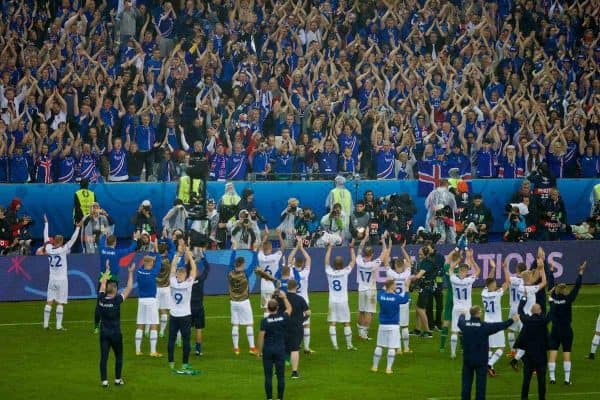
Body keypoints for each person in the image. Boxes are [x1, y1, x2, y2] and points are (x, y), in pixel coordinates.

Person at [459, 306, 518, 400]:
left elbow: (460, 322)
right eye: (480, 311)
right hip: (481, 360)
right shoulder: (484, 326)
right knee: (481, 386)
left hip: (467, 359)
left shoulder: (464, 325)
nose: (482, 312)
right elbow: (500, 325)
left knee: (466, 384)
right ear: (478, 313)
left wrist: (462, 314)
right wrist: (512, 320)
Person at [94, 228, 140, 333]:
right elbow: (130, 250)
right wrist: (135, 239)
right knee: (114, 302)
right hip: (113, 280)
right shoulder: (117, 252)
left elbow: (101, 241)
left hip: (103, 278)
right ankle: (112, 323)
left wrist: (105, 234)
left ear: (107, 242)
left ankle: (96, 327)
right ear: (115, 242)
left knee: (99, 302)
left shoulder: (101, 249)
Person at [548, 261, 586, 385]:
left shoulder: (552, 299)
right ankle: (566, 379)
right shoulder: (568, 299)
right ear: (565, 291)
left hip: (554, 330)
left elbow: (550, 286)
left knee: (553, 353)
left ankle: (552, 378)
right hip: (566, 330)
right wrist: (580, 272)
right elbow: (577, 288)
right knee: (566, 353)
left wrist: (551, 272)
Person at [97, 262, 135, 387]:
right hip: (115, 334)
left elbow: (102, 284)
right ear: (115, 291)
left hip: (104, 333)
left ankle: (104, 381)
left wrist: (107, 270)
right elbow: (129, 288)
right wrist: (130, 272)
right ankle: (118, 380)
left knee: (104, 358)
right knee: (119, 357)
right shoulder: (117, 300)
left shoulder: (101, 298)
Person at [511, 254, 548, 369]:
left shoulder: (522, 286)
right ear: (529, 278)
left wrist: (537, 269)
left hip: (524, 317)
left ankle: (515, 360)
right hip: (530, 319)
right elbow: (543, 282)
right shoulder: (531, 289)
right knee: (531, 342)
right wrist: (542, 270)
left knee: (527, 341)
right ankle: (525, 362)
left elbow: (532, 278)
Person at [43, 222, 81, 330]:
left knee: (49, 301)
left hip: (52, 279)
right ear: (61, 242)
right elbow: (73, 240)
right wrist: (78, 228)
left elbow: (45, 237)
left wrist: (46, 223)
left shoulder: (49, 248)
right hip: (62, 280)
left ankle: (45, 324)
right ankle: (58, 326)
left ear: (54, 241)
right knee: (60, 302)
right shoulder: (62, 249)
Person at [257, 290, 292, 400]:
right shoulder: (283, 318)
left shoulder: (264, 321)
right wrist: (284, 297)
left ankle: (269, 398)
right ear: (277, 308)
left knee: (268, 376)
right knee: (281, 376)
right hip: (280, 350)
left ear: (267, 308)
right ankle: (280, 398)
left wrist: (259, 352)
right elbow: (289, 309)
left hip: (268, 350)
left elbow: (261, 337)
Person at [168, 248, 198, 373]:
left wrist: (177, 255)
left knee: (171, 339)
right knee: (186, 340)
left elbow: (172, 268)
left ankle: (171, 362)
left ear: (177, 275)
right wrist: (190, 257)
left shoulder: (172, 281)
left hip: (174, 315)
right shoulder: (188, 283)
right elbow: (194, 271)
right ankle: (185, 364)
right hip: (185, 315)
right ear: (184, 275)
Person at [371, 279, 410, 374]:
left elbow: (381, 291)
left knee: (379, 346)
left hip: (383, 325)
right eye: (394, 285)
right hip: (394, 326)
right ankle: (388, 369)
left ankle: (375, 367)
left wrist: (385, 287)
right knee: (392, 347)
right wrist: (407, 287)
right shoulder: (396, 298)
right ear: (392, 286)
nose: (396, 286)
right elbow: (405, 299)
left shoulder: (381, 296)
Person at [356, 228, 389, 340]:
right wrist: (383, 240)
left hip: (361, 289)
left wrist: (365, 237)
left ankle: (360, 330)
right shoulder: (374, 264)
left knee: (361, 310)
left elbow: (360, 248)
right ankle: (364, 333)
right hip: (370, 290)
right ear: (372, 254)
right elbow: (384, 253)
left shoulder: (359, 261)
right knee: (369, 311)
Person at [449, 249, 481, 359]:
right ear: (466, 271)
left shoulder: (454, 279)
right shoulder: (469, 280)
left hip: (456, 307)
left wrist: (457, 261)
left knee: (454, 331)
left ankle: (453, 353)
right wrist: (471, 259)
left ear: (459, 271)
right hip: (467, 308)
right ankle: (467, 352)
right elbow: (478, 271)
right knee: (468, 331)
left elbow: (450, 269)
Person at [481, 258, 511, 376]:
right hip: (497, 325)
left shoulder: (483, 293)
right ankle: (489, 364)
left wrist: (493, 268)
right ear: (492, 286)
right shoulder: (497, 294)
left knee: (489, 348)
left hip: (486, 324)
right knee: (501, 347)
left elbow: (488, 280)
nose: (496, 284)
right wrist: (504, 268)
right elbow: (507, 283)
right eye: (495, 284)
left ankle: (490, 366)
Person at [325, 241, 357, 350]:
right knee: (346, 323)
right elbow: (353, 261)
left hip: (332, 301)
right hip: (343, 301)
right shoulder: (345, 271)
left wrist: (330, 247)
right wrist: (351, 248)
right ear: (343, 264)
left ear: (334, 264)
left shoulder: (329, 271)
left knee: (332, 323)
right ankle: (349, 345)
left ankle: (335, 345)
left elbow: (326, 261)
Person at [384, 238, 414, 353]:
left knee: (395, 326)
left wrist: (390, 247)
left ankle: (398, 348)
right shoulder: (407, 273)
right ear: (403, 266)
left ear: (395, 266)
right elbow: (409, 262)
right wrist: (402, 248)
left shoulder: (391, 273)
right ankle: (406, 347)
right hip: (404, 300)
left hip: (394, 301)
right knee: (405, 326)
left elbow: (386, 261)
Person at [518, 298, 550, 400]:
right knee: (541, 380)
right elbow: (552, 312)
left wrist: (523, 299)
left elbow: (520, 310)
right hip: (541, 357)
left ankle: (524, 398)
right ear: (540, 311)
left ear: (531, 311)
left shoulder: (527, 321)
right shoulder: (544, 321)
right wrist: (551, 300)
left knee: (526, 380)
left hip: (528, 357)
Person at [287, 236, 314, 354]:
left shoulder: (291, 272)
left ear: (294, 263)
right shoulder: (305, 273)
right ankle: (307, 348)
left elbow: (289, 258)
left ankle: (293, 345)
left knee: (292, 324)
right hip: (304, 301)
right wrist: (302, 248)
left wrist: (296, 247)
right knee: (306, 324)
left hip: (292, 300)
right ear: (302, 264)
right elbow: (309, 258)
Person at [228, 256, 258, 355]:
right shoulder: (245, 273)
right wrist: (254, 252)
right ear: (242, 264)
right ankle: (252, 348)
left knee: (235, 324)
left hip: (233, 302)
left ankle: (236, 349)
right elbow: (253, 264)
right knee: (249, 324)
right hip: (244, 301)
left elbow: (230, 262)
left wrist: (234, 249)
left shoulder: (230, 273)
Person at [135, 254, 162, 357]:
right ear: (151, 263)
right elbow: (159, 262)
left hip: (141, 300)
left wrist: (147, 259)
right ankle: (153, 351)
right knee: (154, 324)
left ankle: (138, 350)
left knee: (140, 324)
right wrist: (156, 254)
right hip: (151, 300)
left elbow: (143, 266)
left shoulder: (139, 272)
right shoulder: (153, 272)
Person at [285, 280, 310, 378]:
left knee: (282, 347)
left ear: (287, 287)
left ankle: (278, 370)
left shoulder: (282, 298)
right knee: (295, 348)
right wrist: (302, 320)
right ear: (296, 287)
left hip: (284, 325)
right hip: (296, 326)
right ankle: (294, 372)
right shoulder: (300, 299)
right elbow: (308, 313)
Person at [439, 249, 463, 352]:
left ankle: (442, 347)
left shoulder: (447, 268)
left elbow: (448, 258)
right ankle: (462, 348)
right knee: (461, 322)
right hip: (459, 297)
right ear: (459, 260)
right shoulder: (461, 271)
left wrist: (455, 250)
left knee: (446, 320)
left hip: (449, 295)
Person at [256, 233, 284, 317]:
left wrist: (266, 235)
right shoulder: (275, 257)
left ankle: (266, 324)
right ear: (271, 248)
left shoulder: (260, 257)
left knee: (265, 308)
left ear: (263, 249)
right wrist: (279, 235)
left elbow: (260, 247)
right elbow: (283, 247)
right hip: (273, 284)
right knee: (274, 307)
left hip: (263, 284)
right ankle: (274, 324)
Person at [191, 249, 211, 356]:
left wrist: (191, 261)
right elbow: (207, 268)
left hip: (188, 308)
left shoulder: (187, 280)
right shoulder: (201, 279)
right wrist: (203, 257)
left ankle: (187, 346)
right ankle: (198, 350)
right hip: (199, 307)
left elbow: (185, 268)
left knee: (188, 328)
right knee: (199, 329)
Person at [507, 262, 527, 355]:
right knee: (523, 332)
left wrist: (504, 268)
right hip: (522, 309)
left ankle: (513, 351)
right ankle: (521, 352)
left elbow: (507, 279)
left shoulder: (512, 279)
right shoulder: (526, 281)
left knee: (511, 330)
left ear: (517, 270)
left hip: (513, 308)